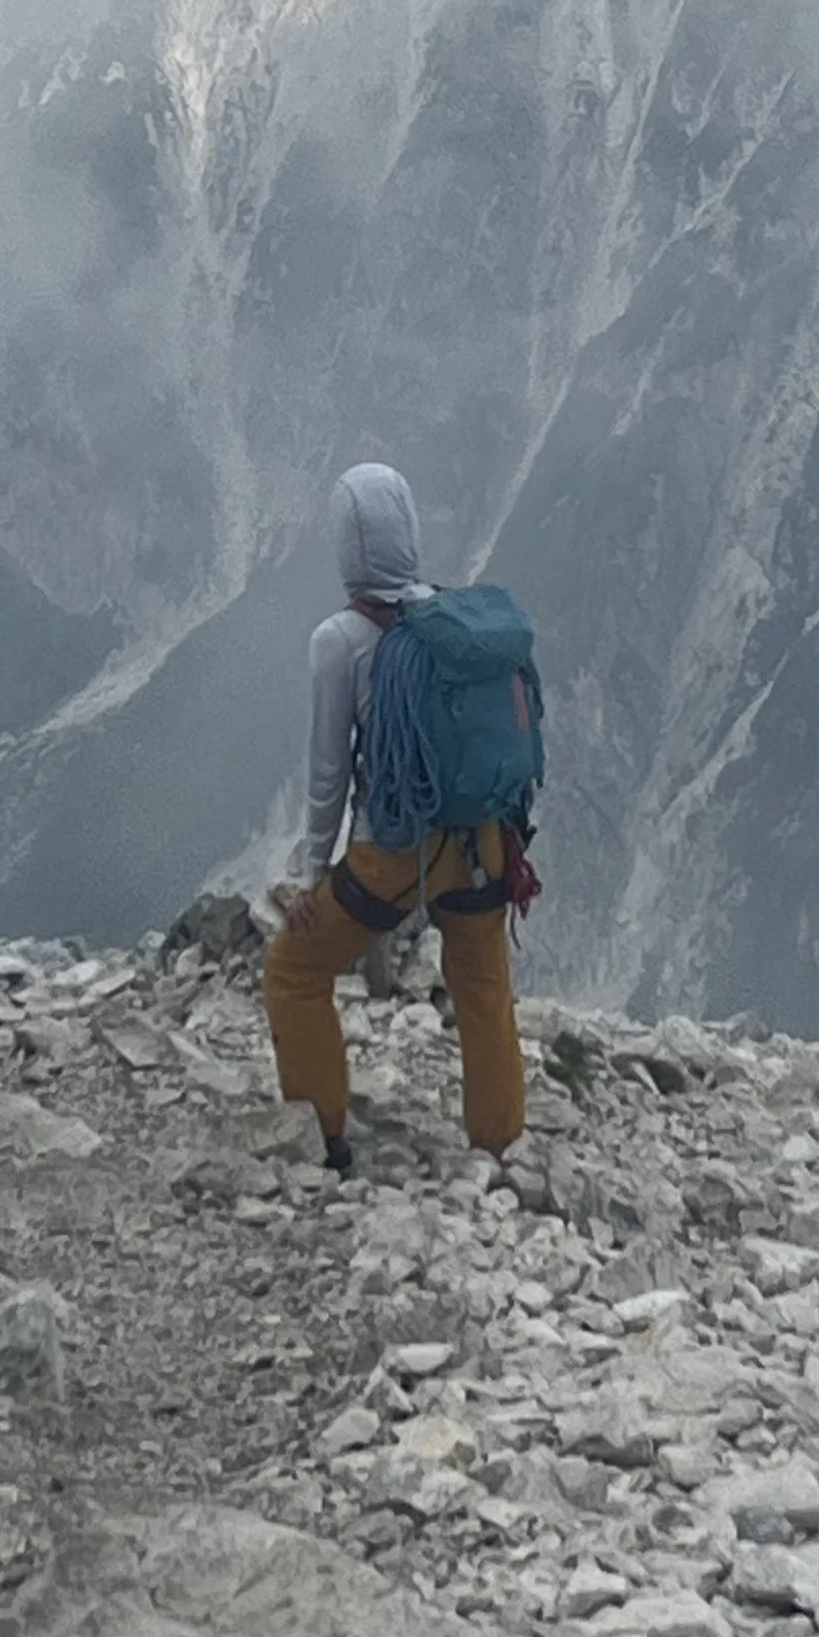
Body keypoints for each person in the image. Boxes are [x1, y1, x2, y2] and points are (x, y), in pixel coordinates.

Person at [261, 460, 527, 1174]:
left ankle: (325, 1134)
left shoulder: (339, 641)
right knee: (483, 988)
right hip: (482, 843)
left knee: (292, 967)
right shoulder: (450, 619)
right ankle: (500, 1149)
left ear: (348, 548)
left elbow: (329, 770)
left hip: (396, 851)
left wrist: (316, 875)